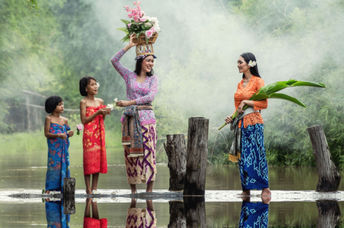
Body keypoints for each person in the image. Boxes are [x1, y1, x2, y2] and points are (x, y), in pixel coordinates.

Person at [111, 34, 158, 193]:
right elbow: (114, 61)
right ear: (140, 61)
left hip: (147, 120)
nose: (151, 63)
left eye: (152, 61)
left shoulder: (153, 79)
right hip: (131, 121)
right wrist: (129, 46)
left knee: (149, 154)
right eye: (148, 60)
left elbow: (150, 96)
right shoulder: (129, 75)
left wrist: (128, 103)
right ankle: (133, 191)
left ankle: (149, 191)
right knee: (131, 155)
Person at [225, 52, 271, 197]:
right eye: (237, 62)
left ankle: (265, 188)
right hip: (241, 124)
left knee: (257, 154)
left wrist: (246, 102)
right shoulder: (240, 83)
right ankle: (246, 190)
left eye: (240, 62)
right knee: (243, 157)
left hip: (254, 123)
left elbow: (264, 104)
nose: (238, 65)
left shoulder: (258, 81)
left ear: (249, 64)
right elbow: (237, 107)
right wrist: (231, 117)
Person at [79, 76, 110, 194]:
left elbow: (102, 118)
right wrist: (97, 112)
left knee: (97, 160)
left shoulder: (100, 101)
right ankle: (88, 189)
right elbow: (84, 120)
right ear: (86, 88)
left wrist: (106, 112)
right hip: (89, 134)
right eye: (92, 84)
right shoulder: (84, 102)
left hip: (99, 132)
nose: (95, 86)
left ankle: (95, 188)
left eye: (96, 84)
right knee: (89, 160)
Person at [44, 96, 73, 194]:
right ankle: (50, 189)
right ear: (53, 106)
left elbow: (67, 134)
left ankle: (65, 188)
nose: (62, 106)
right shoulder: (49, 119)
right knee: (54, 166)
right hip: (54, 149)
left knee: (65, 165)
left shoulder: (65, 120)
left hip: (64, 148)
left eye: (62, 104)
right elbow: (46, 134)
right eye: (59, 105)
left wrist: (70, 134)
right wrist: (58, 135)